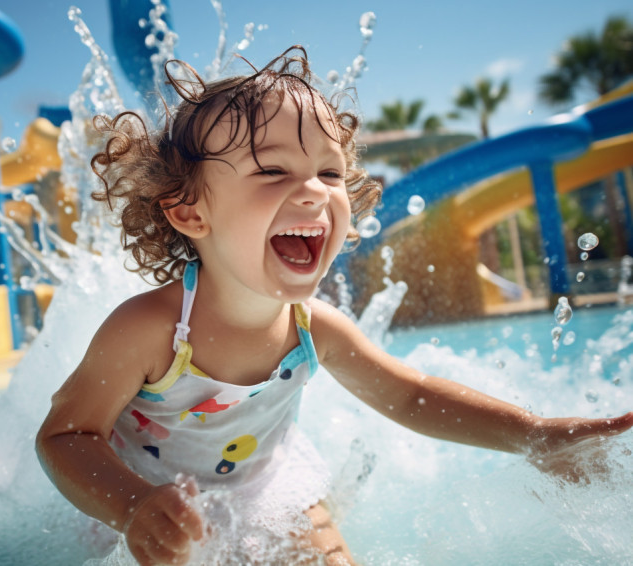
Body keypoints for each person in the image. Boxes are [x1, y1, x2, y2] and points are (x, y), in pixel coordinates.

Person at [36, 46, 633, 565]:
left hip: (272, 488)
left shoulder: (313, 327)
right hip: (148, 500)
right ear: (191, 212)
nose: (314, 190)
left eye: (329, 170)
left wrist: (535, 434)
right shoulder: (150, 330)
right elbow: (65, 436)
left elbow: (411, 395)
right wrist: (132, 505)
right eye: (272, 169)